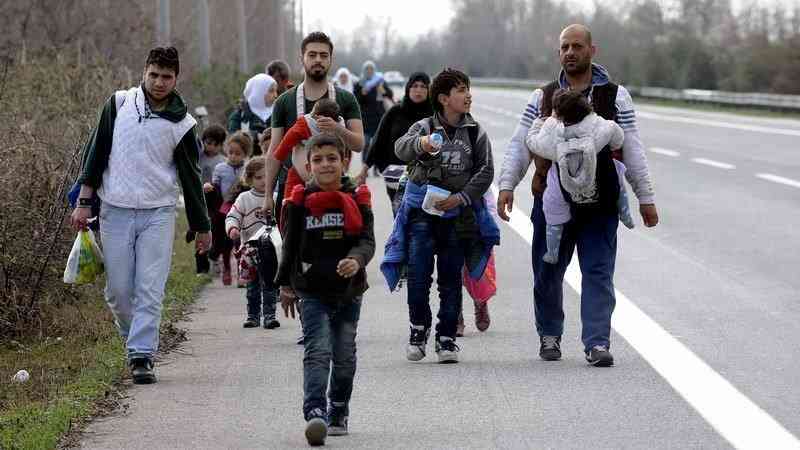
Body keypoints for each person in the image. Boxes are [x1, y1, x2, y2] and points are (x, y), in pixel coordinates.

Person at [497, 24, 659, 367]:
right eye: (564, 47)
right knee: (548, 270)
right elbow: (520, 144)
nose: (570, 52)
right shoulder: (540, 97)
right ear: (559, 53)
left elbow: (632, 148)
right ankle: (550, 335)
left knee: (598, 272)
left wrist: (645, 197)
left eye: (577, 46)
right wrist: (507, 186)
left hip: (600, 204)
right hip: (553, 203)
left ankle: (597, 343)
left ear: (591, 51)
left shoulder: (616, 97)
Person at [69, 46, 211, 384]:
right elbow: (96, 153)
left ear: (176, 78)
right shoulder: (118, 105)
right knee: (118, 290)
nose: (159, 82)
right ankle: (134, 336)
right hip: (114, 210)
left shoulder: (183, 123)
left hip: (158, 213)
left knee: (150, 287)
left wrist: (202, 226)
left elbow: (192, 178)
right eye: (154, 75)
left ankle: (142, 354)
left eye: (167, 76)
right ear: (144, 73)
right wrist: (84, 200)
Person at [387, 68, 497, 364]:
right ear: (444, 98)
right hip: (423, 215)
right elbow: (399, 149)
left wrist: (460, 198)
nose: (468, 95)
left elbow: (486, 170)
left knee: (450, 279)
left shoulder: (475, 132)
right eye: (461, 90)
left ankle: (446, 338)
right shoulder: (423, 126)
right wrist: (421, 144)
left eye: (468, 89)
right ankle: (418, 330)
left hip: (458, 216)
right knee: (420, 277)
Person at [276, 134, 375, 446]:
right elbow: (290, 246)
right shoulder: (299, 201)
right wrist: (286, 285)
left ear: (345, 161)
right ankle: (315, 411)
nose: (325, 164)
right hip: (312, 291)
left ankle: (339, 409)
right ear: (308, 166)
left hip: (349, 291)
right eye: (318, 160)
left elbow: (367, 241)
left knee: (344, 354)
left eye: (332, 158)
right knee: (317, 350)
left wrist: (356, 260)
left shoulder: (358, 196)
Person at [263, 31, 364, 220]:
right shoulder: (284, 101)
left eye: (323, 55)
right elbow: (275, 151)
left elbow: (358, 144)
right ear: (302, 58)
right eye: (312, 55)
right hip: (293, 192)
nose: (318, 60)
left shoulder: (346, 98)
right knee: (292, 248)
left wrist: (337, 129)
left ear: (331, 59)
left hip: (334, 190)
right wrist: (268, 195)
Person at [526, 89, 635, 264]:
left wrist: (539, 123)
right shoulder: (597, 125)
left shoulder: (553, 132)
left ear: (558, 113)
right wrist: (612, 144)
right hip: (595, 180)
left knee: (552, 206)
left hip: (564, 180)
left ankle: (552, 251)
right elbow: (617, 138)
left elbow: (532, 142)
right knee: (617, 173)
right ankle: (625, 213)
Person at [356, 72, 432, 214]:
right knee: (401, 220)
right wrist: (364, 170)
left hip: (426, 181)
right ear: (408, 88)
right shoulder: (395, 112)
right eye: (415, 86)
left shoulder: (435, 115)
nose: (419, 90)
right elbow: (379, 140)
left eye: (423, 86)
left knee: (422, 225)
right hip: (396, 178)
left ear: (429, 91)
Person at [225, 157, 279, 329]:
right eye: (258, 177)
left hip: (271, 249)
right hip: (249, 249)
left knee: (269, 283)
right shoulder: (244, 198)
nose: (264, 180)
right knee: (252, 285)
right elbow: (233, 215)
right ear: (249, 179)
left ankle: (269, 316)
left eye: (267, 176)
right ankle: (253, 316)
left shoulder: (276, 197)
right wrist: (233, 228)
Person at [269, 98, 343, 211]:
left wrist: (279, 157)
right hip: (328, 173)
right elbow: (345, 152)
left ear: (317, 116)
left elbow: (285, 144)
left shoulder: (305, 124)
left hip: (301, 172)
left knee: (291, 198)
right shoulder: (340, 128)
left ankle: (289, 211)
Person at [211, 131, 252, 285]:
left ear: (245, 153)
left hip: (243, 210)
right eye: (231, 152)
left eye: (238, 153)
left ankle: (243, 272)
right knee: (226, 244)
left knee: (240, 242)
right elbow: (215, 187)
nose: (233, 156)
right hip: (224, 210)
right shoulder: (220, 168)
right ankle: (226, 268)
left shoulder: (248, 168)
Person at [194, 124, 227, 275]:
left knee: (217, 231)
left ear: (221, 145)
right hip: (199, 198)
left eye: (215, 144)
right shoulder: (198, 156)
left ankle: (214, 256)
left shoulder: (223, 161)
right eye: (208, 143)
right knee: (199, 230)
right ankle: (202, 267)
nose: (211, 147)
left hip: (216, 199)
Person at [353, 61, 393, 168]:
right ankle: (365, 165)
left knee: (378, 144)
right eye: (367, 69)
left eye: (371, 69)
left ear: (374, 70)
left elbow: (390, 94)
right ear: (364, 70)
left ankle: (376, 166)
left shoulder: (380, 82)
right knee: (365, 143)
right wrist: (362, 93)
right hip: (365, 118)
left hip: (379, 117)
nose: (369, 71)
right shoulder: (359, 83)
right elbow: (355, 100)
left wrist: (383, 91)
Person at [228, 74, 278, 155]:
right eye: (271, 91)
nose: (276, 95)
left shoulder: (277, 114)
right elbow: (233, 141)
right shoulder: (240, 116)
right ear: (259, 92)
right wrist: (255, 136)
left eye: (276, 91)